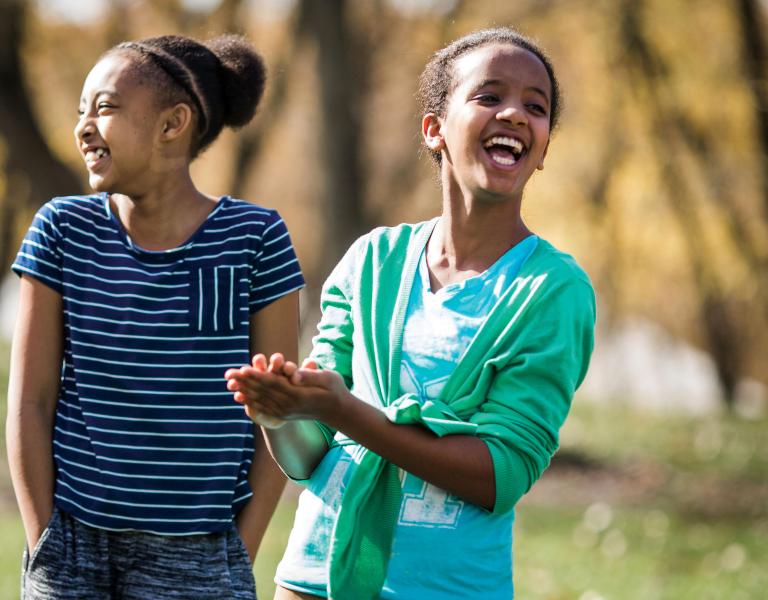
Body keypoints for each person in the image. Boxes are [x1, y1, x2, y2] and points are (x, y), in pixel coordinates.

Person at [226, 27, 596, 600]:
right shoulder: (373, 260)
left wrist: (345, 411)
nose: (517, 114)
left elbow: (501, 474)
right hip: (311, 580)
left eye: (536, 106)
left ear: (543, 148)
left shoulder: (552, 289)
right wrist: (280, 413)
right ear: (434, 130)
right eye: (489, 96)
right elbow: (309, 458)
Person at [7, 34, 305, 599]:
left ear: (173, 124)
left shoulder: (254, 238)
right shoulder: (62, 230)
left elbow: (278, 415)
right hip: (72, 546)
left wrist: (239, 548)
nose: (84, 126)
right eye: (80, 112)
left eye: (105, 107)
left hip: (201, 551)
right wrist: (43, 537)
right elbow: (30, 399)